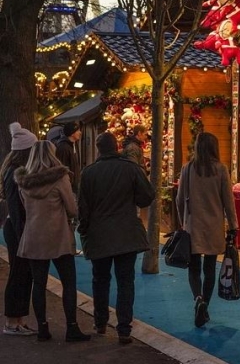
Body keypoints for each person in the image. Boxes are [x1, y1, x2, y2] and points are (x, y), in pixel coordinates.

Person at [78, 132, 154, 345]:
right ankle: (124, 329)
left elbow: (83, 207)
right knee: (125, 281)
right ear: (117, 147)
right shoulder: (130, 168)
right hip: (126, 233)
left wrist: (84, 230)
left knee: (100, 280)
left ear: (98, 149)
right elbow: (147, 195)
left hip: (99, 234)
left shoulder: (89, 173)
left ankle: (100, 322)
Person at [14, 140, 91, 342]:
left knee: (38, 284)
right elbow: (72, 209)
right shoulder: (60, 178)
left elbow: (24, 208)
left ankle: (43, 328)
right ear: (52, 154)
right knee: (68, 282)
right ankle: (72, 328)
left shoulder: (23, 182)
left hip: (33, 237)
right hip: (58, 237)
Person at [175, 132, 238, 328]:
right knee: (209, 269)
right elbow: (228, 201)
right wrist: (233, 226)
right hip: (214, 226)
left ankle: (198, 298)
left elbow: (179, 199)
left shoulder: (188, 169)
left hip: (192, 225)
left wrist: (183, 221)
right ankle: (206, 306)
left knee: (193, 268)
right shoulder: (221, 170)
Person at [1, 123, 36, 336]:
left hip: (16, 229)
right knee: (19, 274)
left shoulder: (12, 170)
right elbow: (16, 208)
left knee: (22, 273)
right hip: (18, 230)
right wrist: (24, 233)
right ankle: (12, 321)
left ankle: (17, 320)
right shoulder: (15, 173)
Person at [55, 121, 82, 255]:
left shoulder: (71, 146)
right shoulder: (64, 148)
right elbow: (63, 169)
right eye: (78, 130)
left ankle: (70, 246)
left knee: (72, 219)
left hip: (72, 186)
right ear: (72, 132)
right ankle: (69, 247)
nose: (80, 132)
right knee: (71, 217)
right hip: (69, 188)